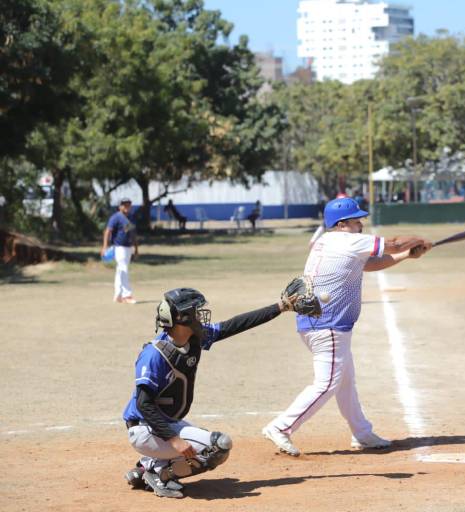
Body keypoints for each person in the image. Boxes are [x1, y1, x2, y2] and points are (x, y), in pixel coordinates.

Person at [262, 197, 432, 456]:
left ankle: (362, 433)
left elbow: (370, 264)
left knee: (345, 382)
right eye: (356, 220)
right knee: (327, 383)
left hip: (318, 323)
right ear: (342, 224)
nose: (361, 224)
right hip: (327, 325)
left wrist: (407, 255)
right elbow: (394, 241)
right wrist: (418, 240)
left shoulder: (326, 241)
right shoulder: (348, 240)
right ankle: (281, 427)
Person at [122, 286, 303, 498]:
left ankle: (145, 468)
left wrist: (281, 307)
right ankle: (161, 475)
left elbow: (235, 325)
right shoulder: (154, 355)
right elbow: (144, 404)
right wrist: (173, 439)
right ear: (182, 317)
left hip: (162, 425)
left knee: (202, 439)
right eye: (196, 312)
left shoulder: (193, 339)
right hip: (145, 429)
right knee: (218, 447)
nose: (201, 316)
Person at [101, 198, 139, 304]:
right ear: (120, 206)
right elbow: (108, 231)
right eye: (124, 204)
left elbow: (133, 234)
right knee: (123, 269)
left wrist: (136, 249)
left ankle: (118, 295)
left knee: (120, 271)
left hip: (128, 247)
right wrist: (105, 246)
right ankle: (127, 295)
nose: (127, 206)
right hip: (119, 247)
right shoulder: (116, 217)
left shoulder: (130, 218)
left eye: (128, 204)